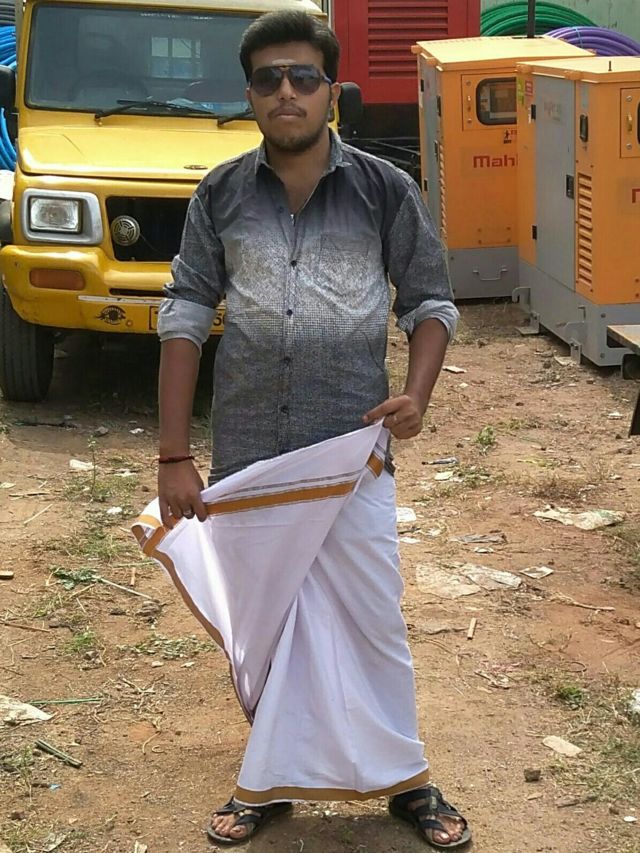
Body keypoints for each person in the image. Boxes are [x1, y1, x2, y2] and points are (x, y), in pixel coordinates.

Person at [155, 9, 471, 850]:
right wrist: (174, 453)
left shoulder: (383, 190)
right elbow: (184, 311)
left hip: (349, 453)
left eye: (303, 77)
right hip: (252, 456)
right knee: (268, 627)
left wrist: (417, 394)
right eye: (268, 79)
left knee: (371, 622)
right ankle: (269, 781)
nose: (285, 93)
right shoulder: (220, 194)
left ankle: (407, 778)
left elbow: (431, 302)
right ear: (249, 94)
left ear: (333, 90)